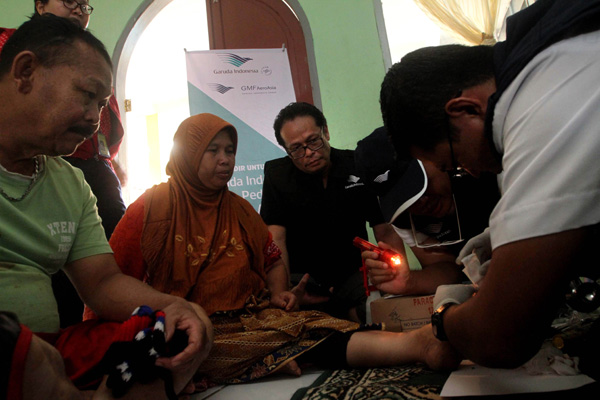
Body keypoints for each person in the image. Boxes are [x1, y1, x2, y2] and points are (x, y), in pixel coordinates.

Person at [100, 112, 461, 387]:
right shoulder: (151, 209)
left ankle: (419, 343)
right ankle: (264, 361)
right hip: (189, 325)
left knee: (313, 327)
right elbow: (110, 282)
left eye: (230, 151)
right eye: (212, 151)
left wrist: (278, 294)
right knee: (189, 347)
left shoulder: (238, 209)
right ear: (187, 154)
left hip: (252, 318)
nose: (225, 160)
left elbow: (271, 256)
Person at [379, 0, 600, 369]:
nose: (471, 172)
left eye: (453, 162)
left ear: (465, 110)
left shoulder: (538, 106)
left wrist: (445, 317)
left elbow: (498, 338)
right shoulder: (547, 55)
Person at [0, 15, 211, 399]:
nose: (95, 120)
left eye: (102, 105)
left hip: (51, 350)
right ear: (25, 72)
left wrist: (177, 307)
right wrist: (22, 349)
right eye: (86, 95)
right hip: (12, 346)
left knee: (178, 332)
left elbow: (102, 284)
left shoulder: (69, 182)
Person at [260, 102, 406, 323]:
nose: (309, 153)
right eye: (297, 149)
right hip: (303, 279)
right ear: (287, 151)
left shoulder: (357, 165)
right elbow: (276, 239)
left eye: (313, 141)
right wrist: (282, 293)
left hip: (352, 274)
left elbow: (384, 230)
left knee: (381, 309)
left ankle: (340, 315)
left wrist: (401, 276)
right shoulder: (277, 176)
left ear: (326, 132)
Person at [354, 126, 499, 295]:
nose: (421, 203)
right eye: (405, 200)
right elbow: (447, 267)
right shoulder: (402, 217)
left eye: (419, 187)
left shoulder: (483, 171)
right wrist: (409, 283)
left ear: (430, 154)